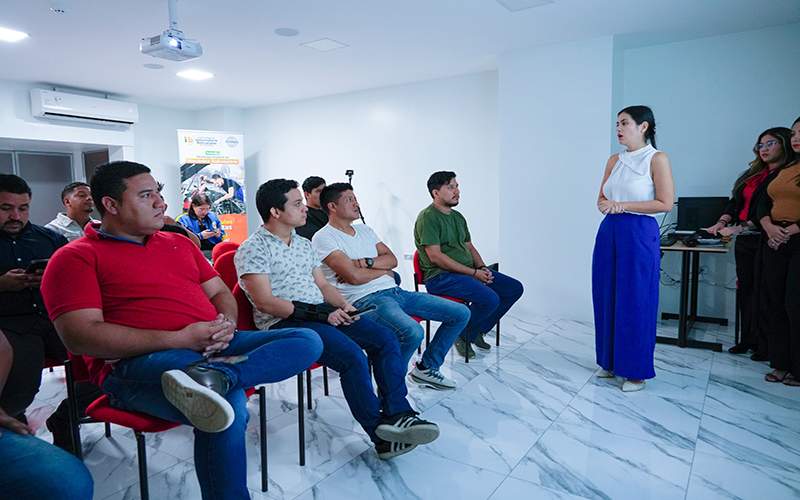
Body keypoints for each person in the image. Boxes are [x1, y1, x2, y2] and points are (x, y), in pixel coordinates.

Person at [41, 161, 323, 500]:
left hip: (213, 344)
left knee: (306, 339)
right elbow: (80, 336)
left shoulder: (180, 244)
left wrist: (226, 323)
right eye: (147, 195)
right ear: (110, 205)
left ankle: (217, 377)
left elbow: (220, 293)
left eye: (158, 193)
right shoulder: (75, 257)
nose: (161, 202)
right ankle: (217, 385)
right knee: (228, 407)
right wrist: (181, 338)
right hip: (139, 362)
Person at [235, 178, 440, 460]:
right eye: (297, 203)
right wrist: (322, 313)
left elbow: (324, 286)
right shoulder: (254, 247)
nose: (305, 207)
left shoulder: (302, 244)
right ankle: (380, 434)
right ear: (275, 211)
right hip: (287, 323)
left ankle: (398, 413)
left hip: (320, 313)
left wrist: (345, 307)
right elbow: (265, 302)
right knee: (353, 356)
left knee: (385, 338)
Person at [313, 182, 470, 388]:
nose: (357, 203)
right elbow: (353, 277)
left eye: (355, 198)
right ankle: (391, 386)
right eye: (349, 199)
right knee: (413, 332)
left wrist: (366, 263)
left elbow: (392, 260)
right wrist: (381, 269)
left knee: (460, 313)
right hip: (366, 299)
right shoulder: (323, 237)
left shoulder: (365, 230)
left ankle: (427, 368)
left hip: (396, 292)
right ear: (332, 206)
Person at [592, 105, 674, 393]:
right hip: (610, 230)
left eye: (625, 123)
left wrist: (622, 206)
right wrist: (607, 205)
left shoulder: (657, 159)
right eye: (617, 123)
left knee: (636, 298)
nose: (619, 129)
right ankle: (609, 361)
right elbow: (602, 196)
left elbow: (665, 203)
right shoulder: (614, 160)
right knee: (606, 294)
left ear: (644, 127)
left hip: (639, 231)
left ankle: (636, 371)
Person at [0, 174, 82, 449]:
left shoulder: (50, 239)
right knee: (20, 387)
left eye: (23, 208)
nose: (16, 215)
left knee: (101, 363)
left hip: (55, 319)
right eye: (6, 208)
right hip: (10, 326)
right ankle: (14, 443)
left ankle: (66, 418)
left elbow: (74, 280)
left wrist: (51, 277)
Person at [707, 127, 797, 360]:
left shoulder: (785, 175)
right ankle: (747, 338)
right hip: (744, 240)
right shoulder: (751, 174)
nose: (764, 149)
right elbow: (734, 202)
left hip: (766, 238)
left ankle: (764, 344)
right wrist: (721, 222)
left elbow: (764, 210)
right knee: (746, 289)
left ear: (785, 145)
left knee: (766, 293)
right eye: (761, 144)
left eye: (771, 144)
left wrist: (741, 226)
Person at [413, 171, 524, 359]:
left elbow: (469, 247)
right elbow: (436, 257)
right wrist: (473, 273)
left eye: (456, 186)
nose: (457, 191)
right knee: (490, 299)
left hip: (467, 274)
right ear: (435, 193)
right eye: (450, 187)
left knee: (513, 288)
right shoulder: (428, 218)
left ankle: (476, 331)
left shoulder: (457, 217)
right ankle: (463, 335)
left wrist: (482, 269)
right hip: (441, 277)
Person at [0, 330, 94, 500]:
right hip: (13, 324)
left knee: (105, 370)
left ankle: (65, 417)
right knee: (16, 391)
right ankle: (17, 420)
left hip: (55, 319)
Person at [758, 116, 800, 386]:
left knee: (795, 305)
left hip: (796, 239)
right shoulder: (786, 168)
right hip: (775, 239)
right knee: (775, 304)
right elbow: (762, 203)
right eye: (794, 133)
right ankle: (781, 363)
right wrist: (769, 228)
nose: (796, 138)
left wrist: (790, 231)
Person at [295, 176, 328, 240]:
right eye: (319, 191)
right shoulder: (302, 216)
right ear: (307, 195)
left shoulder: (331, 212)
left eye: (325, 191)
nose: (324, 194)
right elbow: (319, 237)